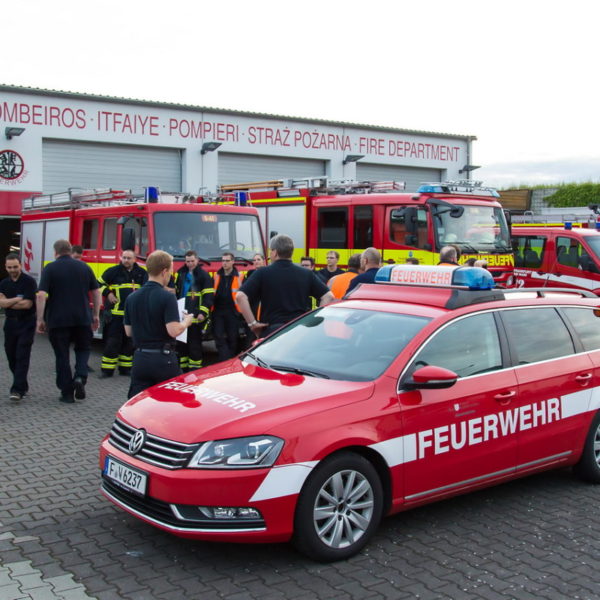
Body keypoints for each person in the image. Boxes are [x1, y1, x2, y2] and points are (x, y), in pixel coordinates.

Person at [36, 239, 101, 403]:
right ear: (70, 250)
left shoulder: (50, 268)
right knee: (83, 349)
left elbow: (41, 295)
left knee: (62, 355)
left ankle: (66, 393)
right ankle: (80, 376)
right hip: (82, 318)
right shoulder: (84, 267)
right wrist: (95, 315)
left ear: (55, 252)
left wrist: (40, 319)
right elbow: (96, 291)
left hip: (58, 320)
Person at [124, 250, 194, 399]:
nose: (171, 275)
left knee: (138, 403)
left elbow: (128, 331)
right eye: (171, 271)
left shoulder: (132, 297)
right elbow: (173, 331)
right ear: (164, 272)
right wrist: (186, 322)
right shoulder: (167, 297)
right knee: (170, 402)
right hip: (163, 360)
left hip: (140, 359)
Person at [236, 234, 335, 337]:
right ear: (291, 252)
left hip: (272, 332)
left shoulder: (262, 272)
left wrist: (253, 324)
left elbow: (240, 296)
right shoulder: (306, 273)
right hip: (299, 330)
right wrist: (312, 319)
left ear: (274, 252)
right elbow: (328, 296)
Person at [98, 250, 148, 377]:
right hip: (116, 314)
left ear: (135, 259)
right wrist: (108, 293)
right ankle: (107, 370)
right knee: (112, 342)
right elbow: (98, 283)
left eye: (129, 258)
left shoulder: (142, 273)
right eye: (124, 258)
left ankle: (125, 369)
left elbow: (147, 290)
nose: (126, 260)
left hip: (133, 315)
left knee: (129, 342)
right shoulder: (113, 271)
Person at [0, 253, 37, 401]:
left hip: (26, 322)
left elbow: (27, 304)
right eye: (9, 267)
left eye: (15, 266)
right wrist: (16, 299)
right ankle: (22, 384)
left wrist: (8, 302)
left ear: (20, 265)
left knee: (22, 355)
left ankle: (17, 390)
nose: (12, 269)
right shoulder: (4, 283)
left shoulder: (29, 282)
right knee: (11, 356)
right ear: (5, 267)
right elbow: (1, 304)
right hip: (10, 323)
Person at [174, 250, 214, 371]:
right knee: (181, 344)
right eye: (187, 261)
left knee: (194, 344)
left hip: (196, 316)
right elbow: (177, 292)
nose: (190, 263)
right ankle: (183, 368)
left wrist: (203, 312)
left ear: (197, 260)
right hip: (182, 314)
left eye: (192, 261)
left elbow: (208, 296)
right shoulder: (181, 274)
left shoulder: (204, 276)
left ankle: (194, 369)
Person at [212, 252, 245, 361]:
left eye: (227, 261)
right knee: (218, 336)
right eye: (223, 261)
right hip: (218, 311)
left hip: (233, 311)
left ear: (232, 261)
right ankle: (226, 360)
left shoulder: (239, 276)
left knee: (233, 338)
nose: (224, 263)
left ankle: (229, 360)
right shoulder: (217, 275)